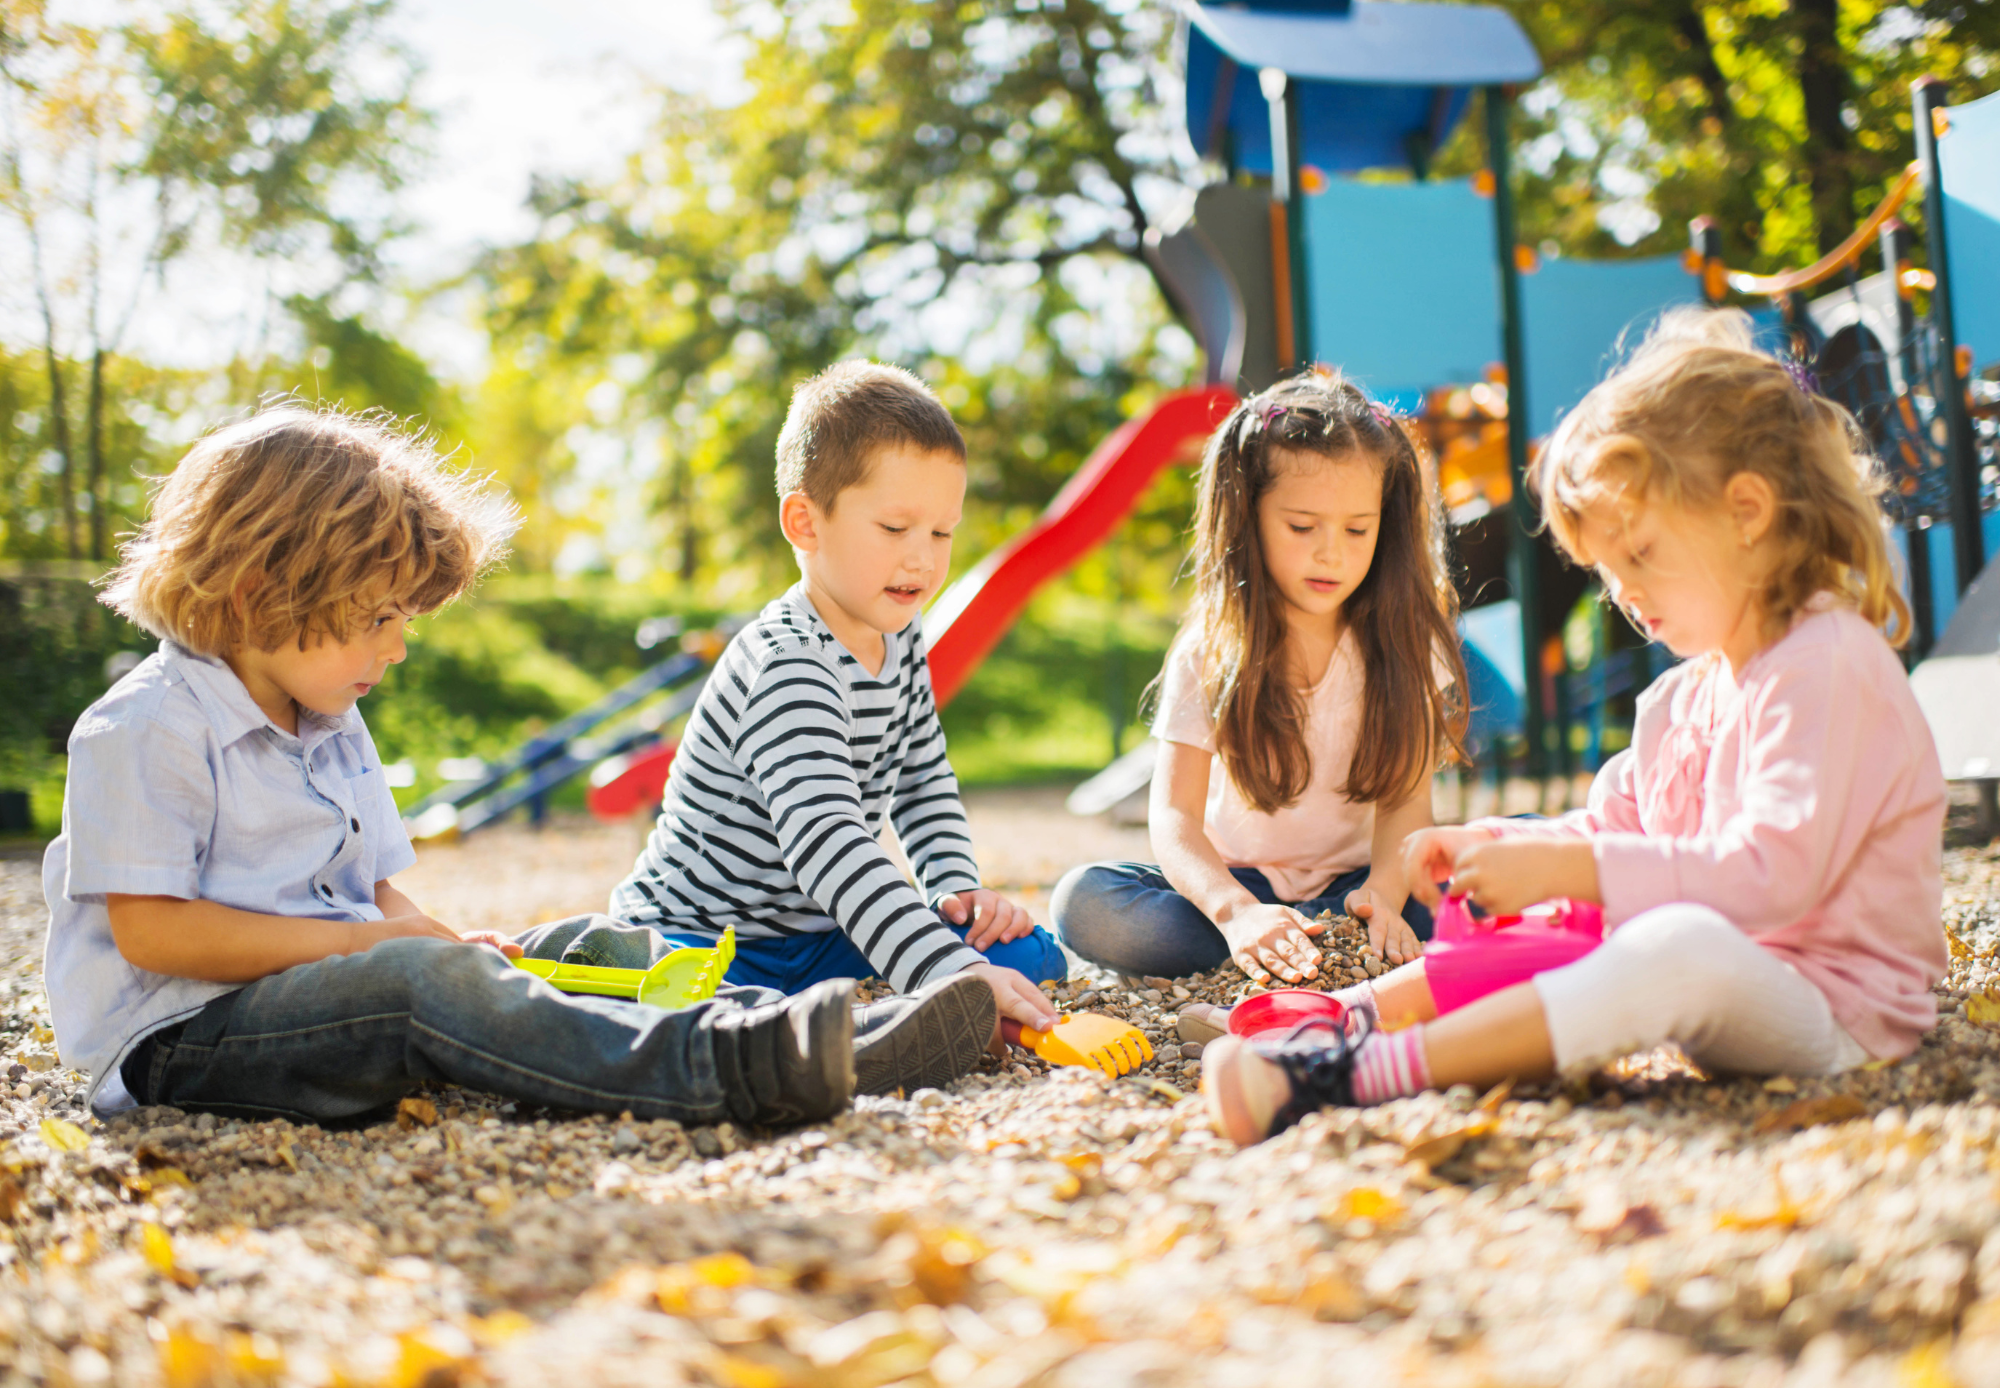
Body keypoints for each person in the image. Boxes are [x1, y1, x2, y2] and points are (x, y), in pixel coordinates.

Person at [44, 406, 998, 1127]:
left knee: (582, 943)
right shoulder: (147, 725)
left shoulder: (329, 716)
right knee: (424, 987)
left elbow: (379, 898)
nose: (400, 648)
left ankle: (804, 1027)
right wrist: (383, 953)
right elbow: (155, 934)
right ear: (259, 593)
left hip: (336, 986)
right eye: (381, 618)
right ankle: (739, 1070)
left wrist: (454, 940)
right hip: (186, 1039)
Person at [1204, 309, 1949, 1144]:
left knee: (1667, 934)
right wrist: (1497, 842)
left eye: (1640, 554)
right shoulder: (1683, 695)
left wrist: (1572, 861)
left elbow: (1774, 873)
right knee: (1552, 904)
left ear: (1747, 513)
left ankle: (1357, 1072)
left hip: (1837, 1009)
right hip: (1723, 975)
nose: (1623, 594)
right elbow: (1614, 828)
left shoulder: (1827, 662)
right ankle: (1346, 1016)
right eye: (1607, 570)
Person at [600, 361, 1064, 1061]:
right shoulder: (788, 662)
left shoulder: (902, 640)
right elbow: (827, 840)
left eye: (942, 533)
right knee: (702, 1017)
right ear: (805, 522)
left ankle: (839, 1008)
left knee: (1031, 955)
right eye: (895, 526)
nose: (922, 558)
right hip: (703, 931)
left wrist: (953, 892)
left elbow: (922, 780)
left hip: (818, 932)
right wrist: (951, 969)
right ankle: (773, 1022)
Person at [1050, 371, 1466, 988]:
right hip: (1237, 884)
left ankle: (1325, 935)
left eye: (1358, 529)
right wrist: (1236, 912)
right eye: (1303, 527)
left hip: (1367, 885)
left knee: (1527, 854)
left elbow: (1407, 802)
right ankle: (1290, 941)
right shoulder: (1211, 650)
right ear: (1249, 517)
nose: (1333, 553)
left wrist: (1383, 893)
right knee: (1085, 901)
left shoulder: (1407, 641)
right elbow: (1174, 817)